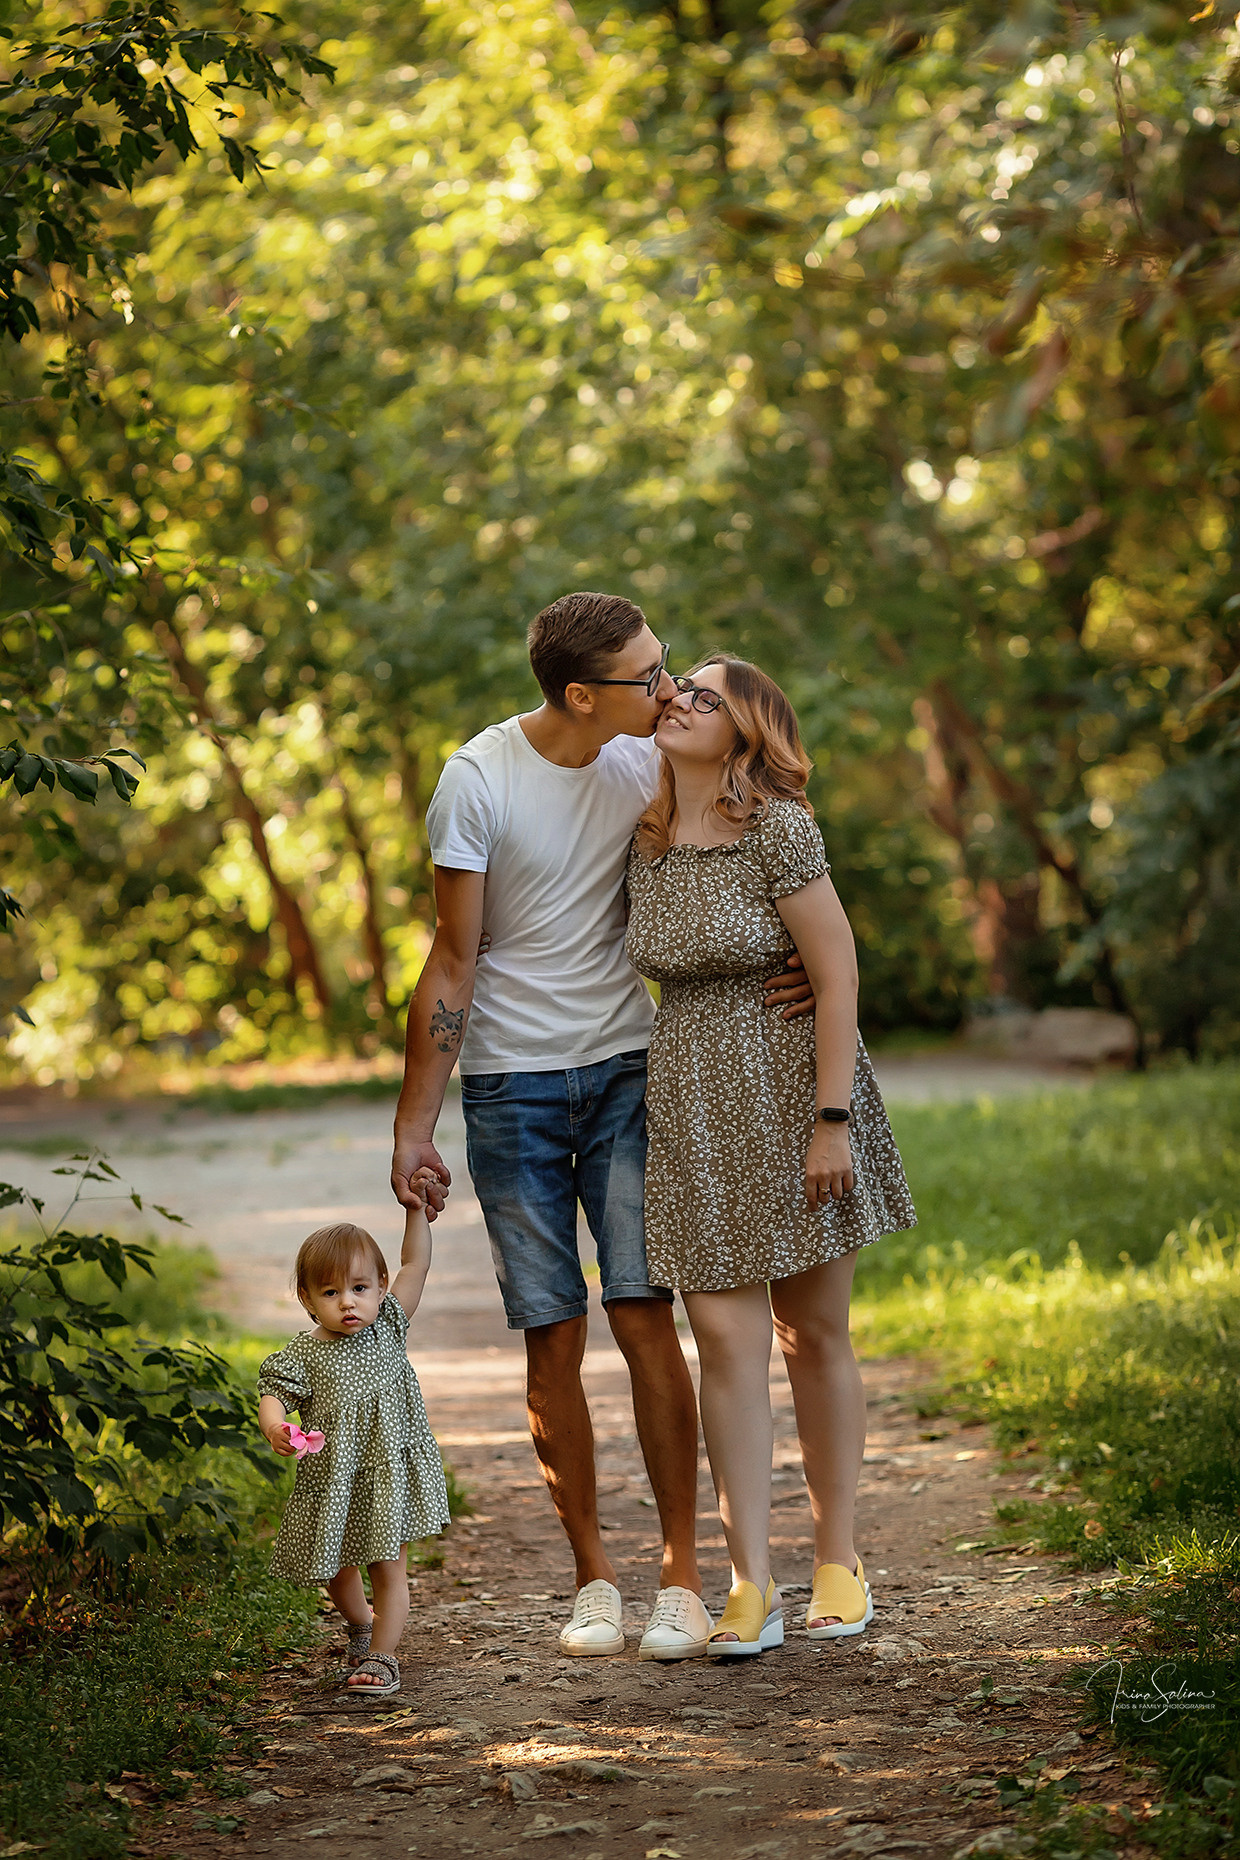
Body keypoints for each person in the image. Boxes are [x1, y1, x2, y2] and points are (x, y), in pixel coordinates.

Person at [390, 591, 813, 1662]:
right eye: (648, 675)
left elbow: (763, 831)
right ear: (583, 693)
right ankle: (592, 1578)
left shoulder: (649, 756)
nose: (669, 690)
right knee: (551, 1330)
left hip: (632, 1069)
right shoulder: (476, 781)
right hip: (509, 1086)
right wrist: (414, 1126)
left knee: (641, 1313)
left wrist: (807, 963)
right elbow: (451, 958)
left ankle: (679, 1575)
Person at [624, 654, 916, 1657]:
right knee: (727, 1348)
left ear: (745, 730)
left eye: (704, 695)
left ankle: (838, 1558)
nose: (678, 702)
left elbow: (835, 979)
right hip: (693, 1102)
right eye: (676, 688)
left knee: (813, 1334)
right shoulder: (646, 836)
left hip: (795, 1094)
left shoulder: (779, 828)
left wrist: (830, 1122)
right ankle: (751, 1580)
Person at [258, 1173, 450, 1695]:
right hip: (334, 1477)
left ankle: (383, 1657)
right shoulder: (303, 1352)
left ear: (381, 1288)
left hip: (387, 1470)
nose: (349, 1302)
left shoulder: (388, 1321)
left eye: (360, 1288)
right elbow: (274, 1394)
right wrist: (276, 1424)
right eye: (331, 1292)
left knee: (389, 1565)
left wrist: (416, 1210)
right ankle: (361, 1625)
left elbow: (417, 1263)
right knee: (336, 1567)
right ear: (306, 1298)